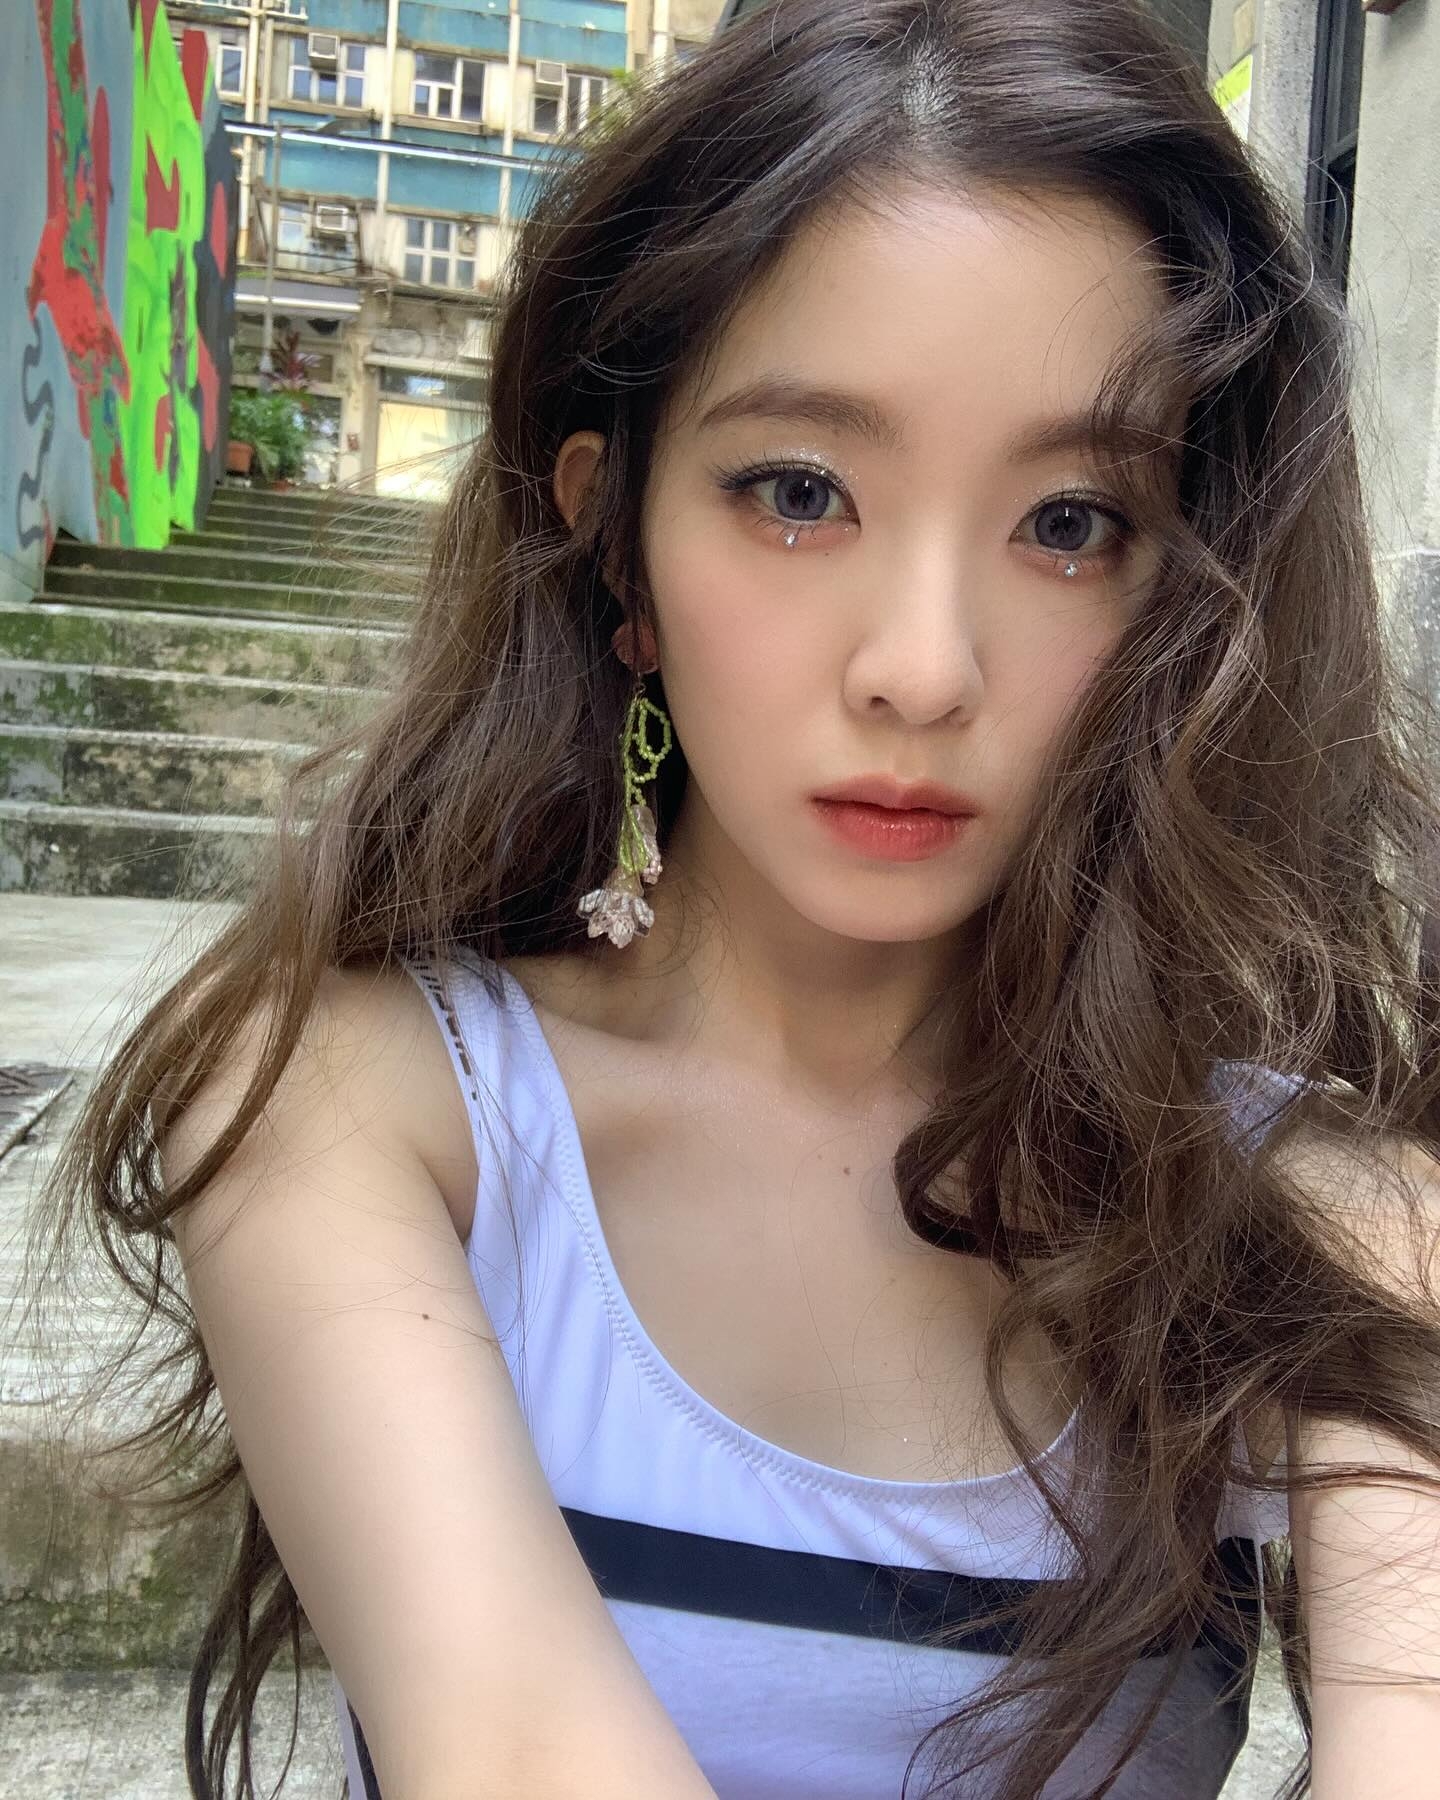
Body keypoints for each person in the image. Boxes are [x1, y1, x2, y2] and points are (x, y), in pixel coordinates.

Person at [25, 0, 1440, 1795]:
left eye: (1072, 523)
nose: (922, 669)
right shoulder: (369, 1106)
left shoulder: (1327, 1228)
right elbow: (511, 1751)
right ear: (616, 539)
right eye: (799, 492)